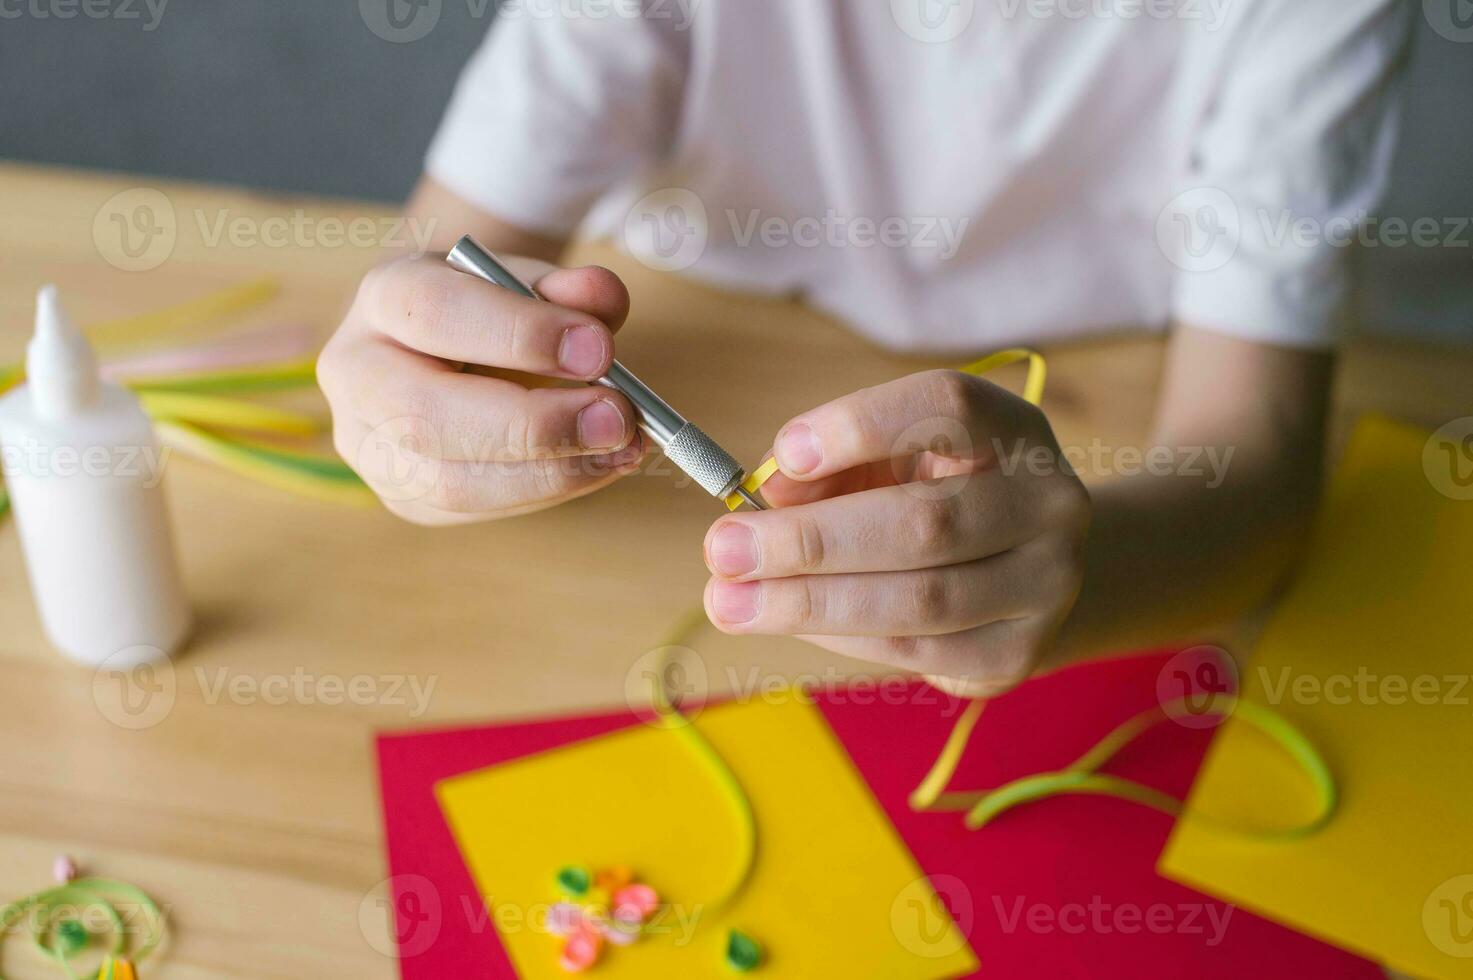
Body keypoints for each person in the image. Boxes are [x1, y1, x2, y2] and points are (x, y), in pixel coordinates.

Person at [318, 0, 1411, 694]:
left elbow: (1258, 470)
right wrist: (403, 390)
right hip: (695, 410)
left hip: (1109, 371)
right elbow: (439, 272)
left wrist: (1072, 577)